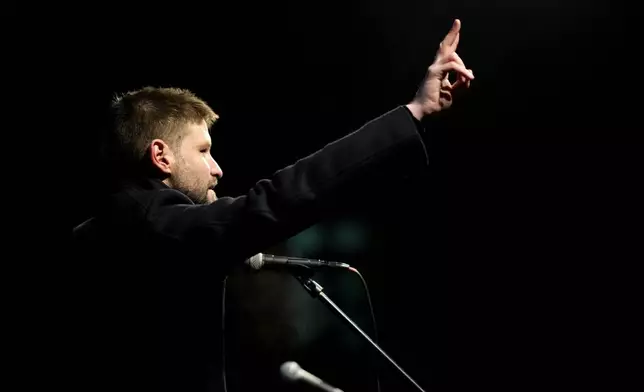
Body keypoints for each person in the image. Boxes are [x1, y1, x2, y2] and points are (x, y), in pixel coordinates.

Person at [72, 19, 473, 392]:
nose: (217, 169)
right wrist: (414, 113)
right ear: (161, 157)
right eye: (204, 151)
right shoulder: (158, 227)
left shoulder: (95, 234)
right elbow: (280, 199)